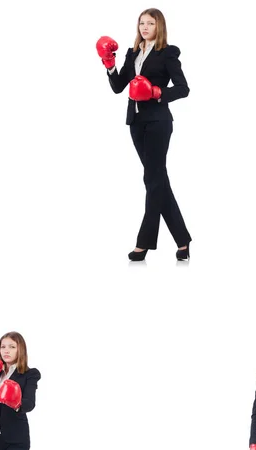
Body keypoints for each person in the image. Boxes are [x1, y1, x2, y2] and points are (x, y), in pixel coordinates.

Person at [96, 8, 192, 261]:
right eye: (141, 23)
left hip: (159, 121)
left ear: (159, 26)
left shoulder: (168, 53)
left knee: (152, 179)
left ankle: (144, 243)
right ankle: (183, 240)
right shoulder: (133, 53)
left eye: (150, 23)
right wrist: (109, 65)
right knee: (158, 179)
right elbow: (119, 88)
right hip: (136, 122)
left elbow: (183, 88)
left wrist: (158, 92)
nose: (145, 27)